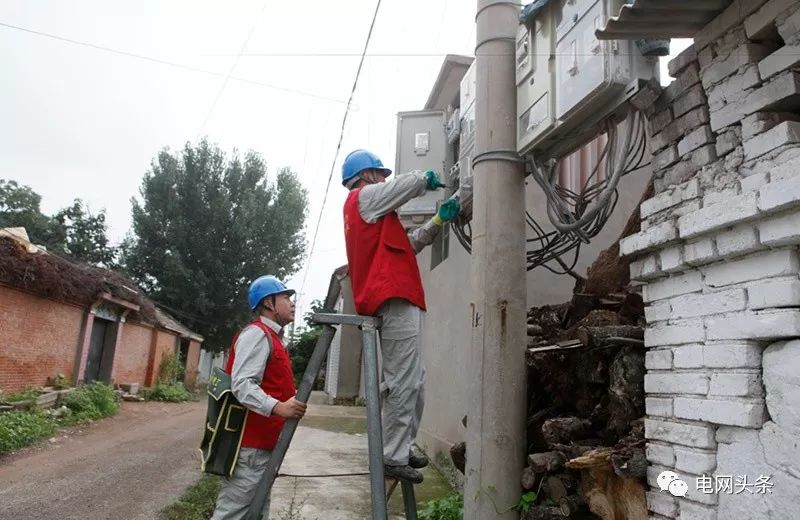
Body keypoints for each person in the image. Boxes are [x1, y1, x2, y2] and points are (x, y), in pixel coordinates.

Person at [341, 149, 460, 484]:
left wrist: (438, 221)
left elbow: (410, 245)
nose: (384, 180)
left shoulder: (377, 218)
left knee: (414, 381)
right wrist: (425, 178)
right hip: (391, 295)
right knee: (402, 381)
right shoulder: (362, 199)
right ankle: (393, 455)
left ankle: (402, 446)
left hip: (399, 295)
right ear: (365, 177)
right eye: (380, 174)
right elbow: (402, 187)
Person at [210, 275, 307, 520]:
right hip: (250, 449)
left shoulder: (273, 338)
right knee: (232, 515)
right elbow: (242, 385)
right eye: (286, 297)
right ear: (269, 304)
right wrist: (278, 407)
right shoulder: (257, 334)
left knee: (254, 513)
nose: (292, 303)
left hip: (263, 448)